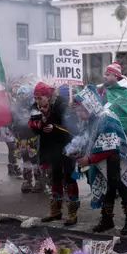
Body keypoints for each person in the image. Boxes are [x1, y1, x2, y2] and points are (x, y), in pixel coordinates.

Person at [69, 85, 127, 235]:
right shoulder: (93, 118)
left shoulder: (105, 117)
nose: (79, 114)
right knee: (107, 189)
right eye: (77, 111)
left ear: (89, 105)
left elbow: (111, 147)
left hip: (117, 159)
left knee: (122, 187)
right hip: (103, 161)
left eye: (80, 110)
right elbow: (88, 138)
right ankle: (107, 219)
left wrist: (89, 159)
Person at [29, 82, 80, 226]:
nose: (37, 101)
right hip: (51, 146)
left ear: (48, 96)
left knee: (69, 177)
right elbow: (32, 124)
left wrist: (54, 128)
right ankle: (56, 210)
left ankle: (72, 211)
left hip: (66, 145)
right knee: (55, 177)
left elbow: (71, 127)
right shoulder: (35, 106)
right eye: (36, 98)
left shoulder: (61, 104)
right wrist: (40, 124)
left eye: (40, 98)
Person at [10, 84, 42, 193]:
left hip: (33, 137)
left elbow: (38, 120)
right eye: (20, 94)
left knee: (35, 159)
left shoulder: (35, 105)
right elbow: (12, 120)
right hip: (20, 137)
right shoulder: (15, 106)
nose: (21, 96)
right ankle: (27, 180)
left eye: (23, 94)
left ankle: (38, 180)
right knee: (25, 158)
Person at [100, 62, 127, 138]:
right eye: (104, 74)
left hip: (122, 130)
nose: (104, 77)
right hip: (105, 128)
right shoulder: (103, 89)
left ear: (116, 76)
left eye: (107, 75)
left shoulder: (126, 92)